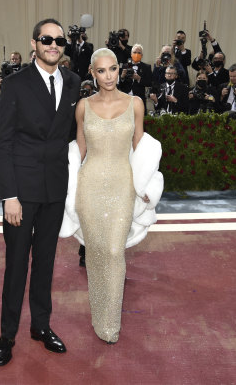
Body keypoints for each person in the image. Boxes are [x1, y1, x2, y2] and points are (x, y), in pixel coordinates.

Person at [0, 18, 81, 366]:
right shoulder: (14, 85)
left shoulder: (74, 83)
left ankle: (41, 327)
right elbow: (4, 144)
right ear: (34, 44)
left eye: (60, 40)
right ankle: (7, 333)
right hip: (22, 192)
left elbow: (72, 134)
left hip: (54, 189)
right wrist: (9, 195)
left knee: (45, 263)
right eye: (47, 39)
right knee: (16, 264)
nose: (54, 44)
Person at [60, 47, 162, 344]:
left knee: (115, 252)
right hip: (89, 185)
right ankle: (99, 316)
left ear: (120, 69)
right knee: (95, 254)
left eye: (113, 69)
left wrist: (146, 186)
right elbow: (78, 149)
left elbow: (142, 147)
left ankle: (111, 323)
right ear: (92, 73)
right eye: (101, 70)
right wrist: (63, 184)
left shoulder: (136, 103)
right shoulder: (82, 106)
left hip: (122, 185)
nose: (108, 76)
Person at [118, 43, 152, 111]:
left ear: (142, 55)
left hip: (139, 99)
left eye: (139, 53)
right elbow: (119, 85)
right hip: (125, 98)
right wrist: (122, 77)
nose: (136, 54)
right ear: (131, 54)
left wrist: (139, 79)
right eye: (135, 52)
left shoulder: (146, 67)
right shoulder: (125, 66)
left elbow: (150, 83)